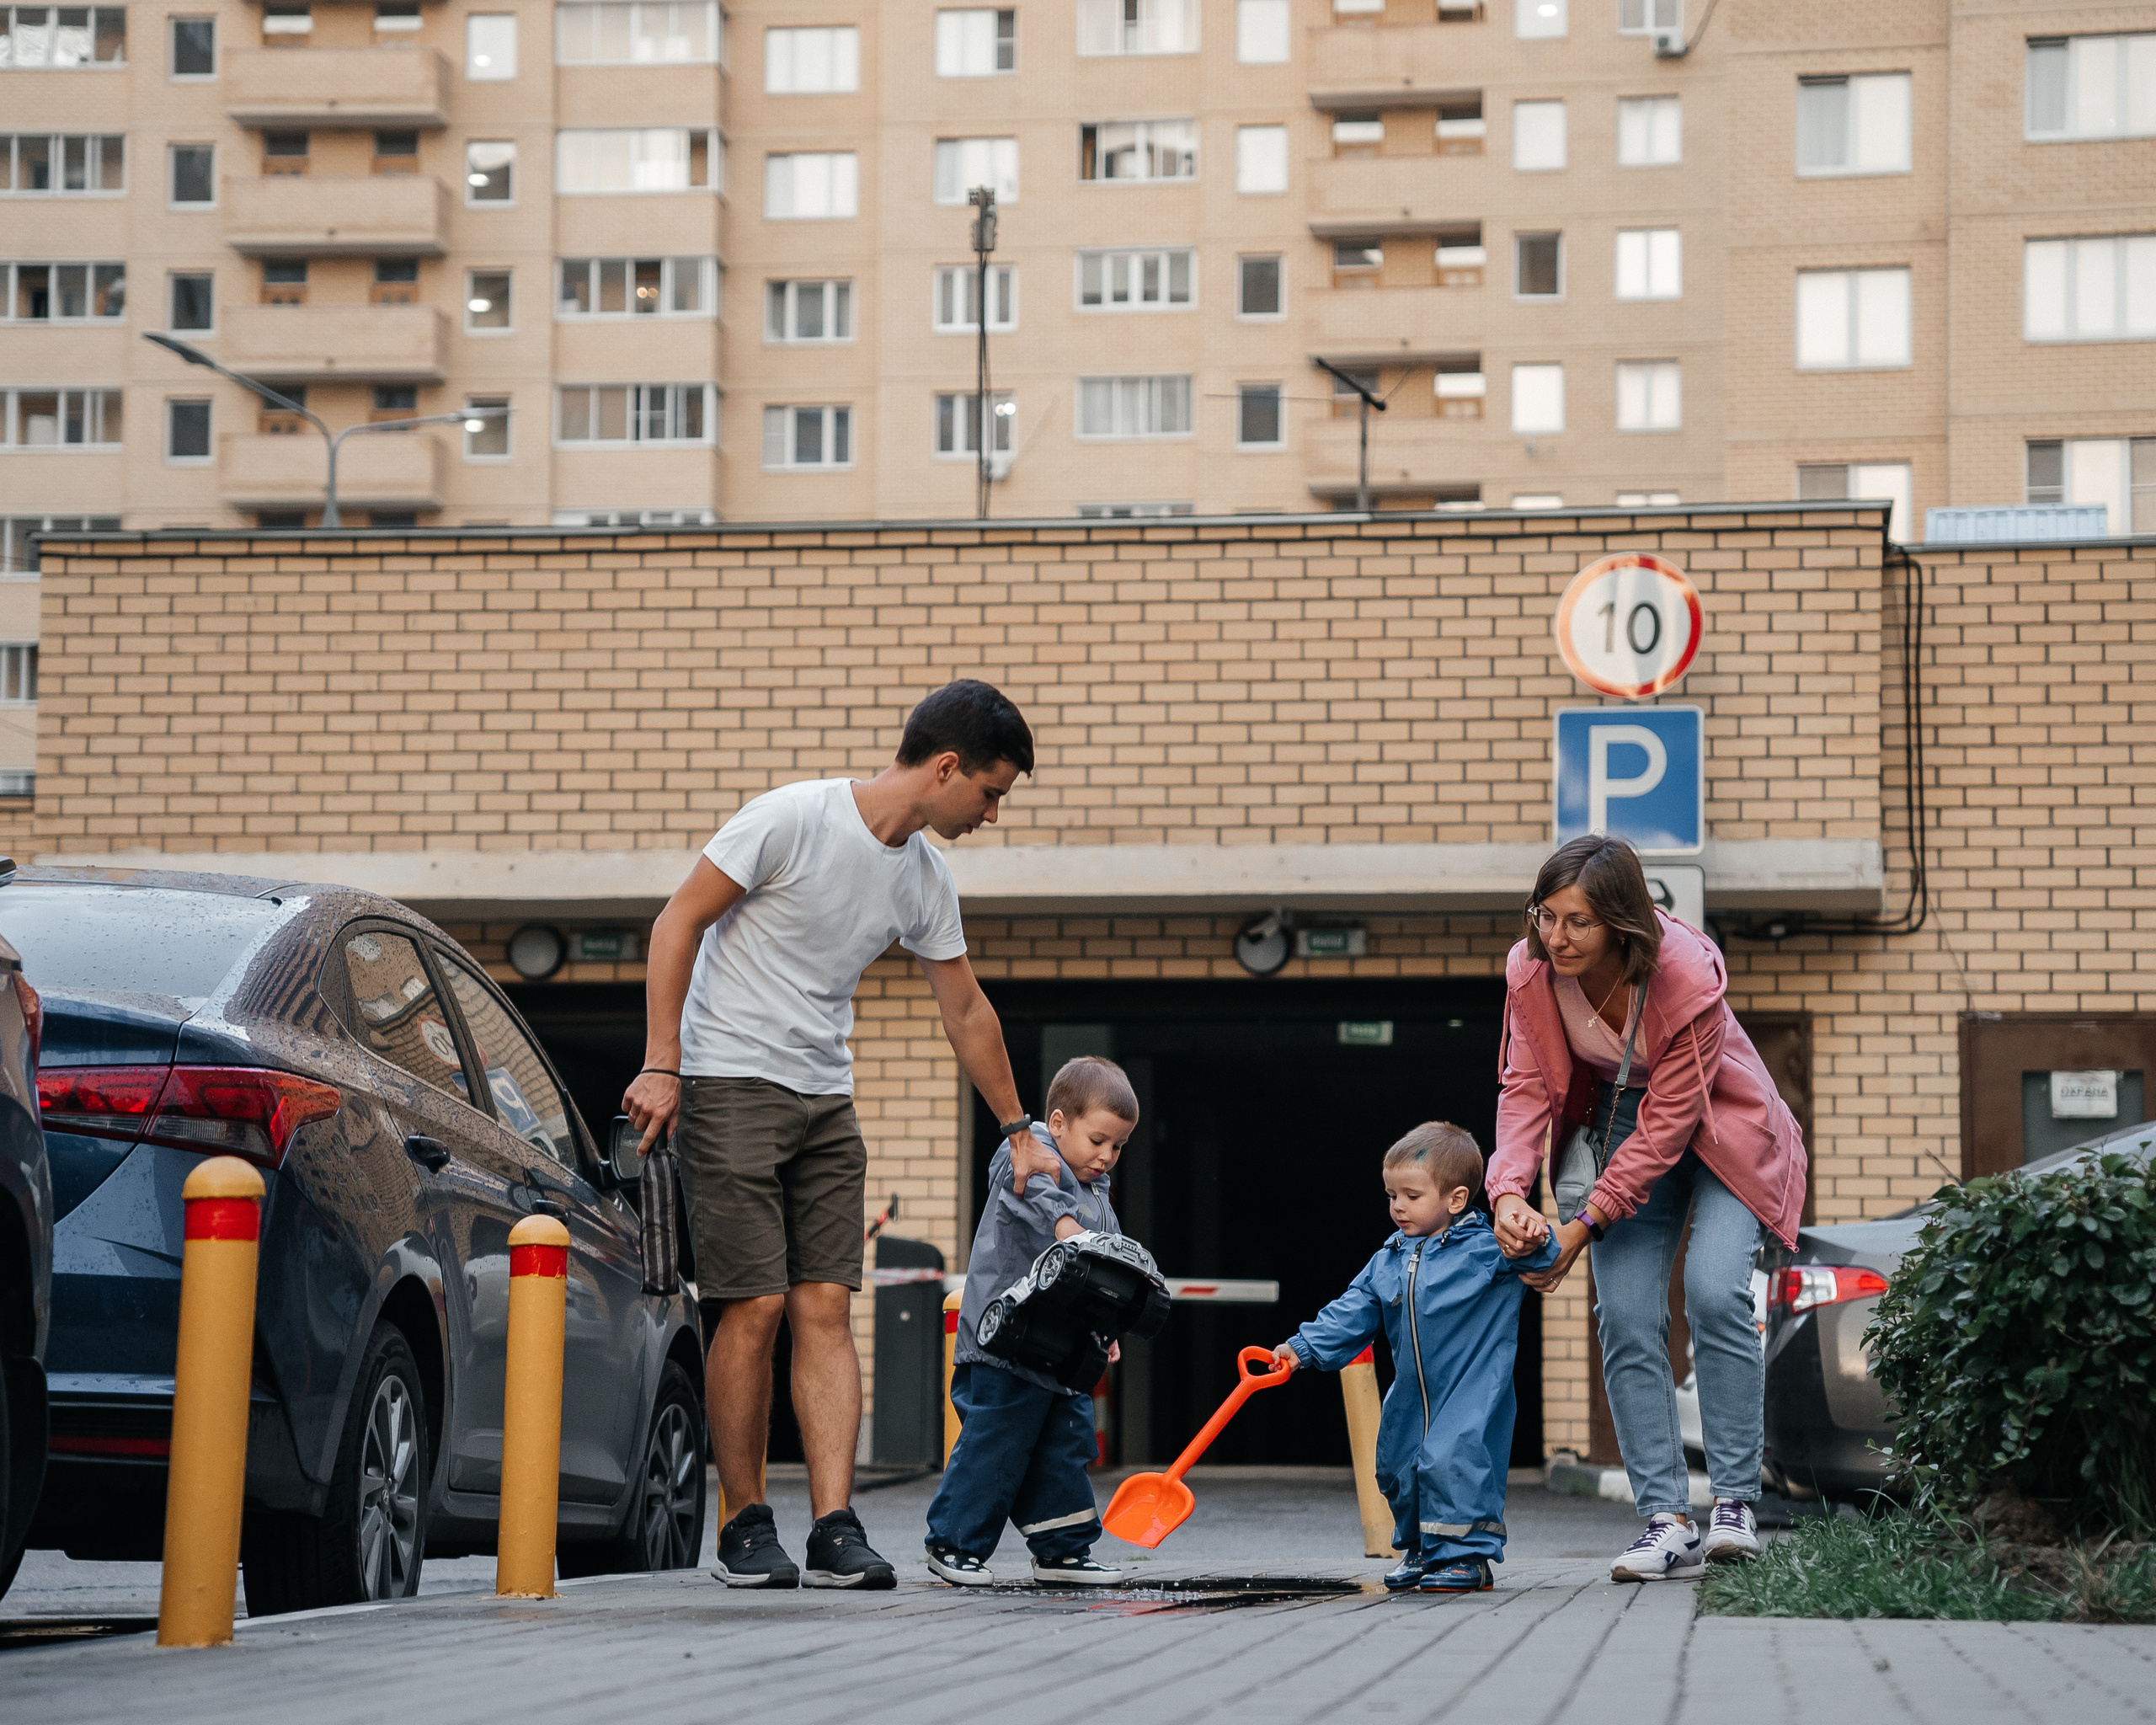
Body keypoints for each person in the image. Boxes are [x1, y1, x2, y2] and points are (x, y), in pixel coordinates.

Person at [621, 679, 1063, 1591]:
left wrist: (1019, 1126)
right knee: (755, 1305)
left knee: (824, 1306)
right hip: (730, 1077)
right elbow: (678, 921)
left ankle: (833, 1524)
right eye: (989, 792)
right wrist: (662, 1060)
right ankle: (743, 1522)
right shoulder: (790, 819)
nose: (990, 812)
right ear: (946, 767)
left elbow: (966, 1006)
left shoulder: (923, 877)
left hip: (826, 1094)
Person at [1487, 834, 1807, 1582]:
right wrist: (1507, 1190)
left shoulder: (1684, 972)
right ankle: (1664, 1520)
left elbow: (1672, 1123)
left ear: (1621, 924)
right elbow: (1525, 1084)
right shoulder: (1531, 970)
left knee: (1714, 1291)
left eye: (1577, 923)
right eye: (1545, 915)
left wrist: (1584, 1222)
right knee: (1627, 1315)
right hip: (1619, 1128)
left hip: (1719, 1125)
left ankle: (1732, 1503)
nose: (1555, 937)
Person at [1271, 1122, 1559, 1594]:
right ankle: (1423, 1549)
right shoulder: (1387, 1259)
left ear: (1456, 1199)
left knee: (1452, 1458)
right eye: (1391, 1195)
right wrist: (1300, 1349)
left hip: (1470, 1389)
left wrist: (1535, 1232)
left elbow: (1543, 1256)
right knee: (1396, 1464)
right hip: (1409, 1394)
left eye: (1410, 1195)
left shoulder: (1489, 1250)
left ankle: (1466, 1556)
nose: (1397, 1206)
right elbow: (1352, 1310)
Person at [924, 1055, 1140, 1588]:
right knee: (997, 1438)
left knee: (1066, 1444)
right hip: (1005, 1342)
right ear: (1060, 1123)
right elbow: (1037, 1195)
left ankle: (1061, 1551)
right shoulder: (1024, 1153)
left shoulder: (1100, 1195)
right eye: (1098, 1141)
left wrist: (1105, 1329)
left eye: (1118, 1147)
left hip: (1063, 1350)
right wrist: (1066, 1224)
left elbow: (1100, 1269)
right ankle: (952, 1543)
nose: (1107, 1157)